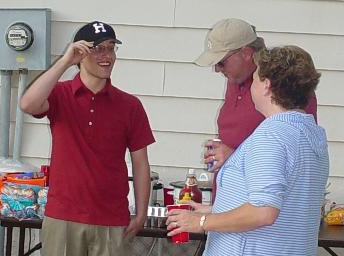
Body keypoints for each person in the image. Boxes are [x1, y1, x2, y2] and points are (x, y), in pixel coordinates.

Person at [167, 45, 329, 255]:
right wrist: (215, 209)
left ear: (266, 86)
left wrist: (203, 221)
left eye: (255, 78)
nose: (251, 84)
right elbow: (284, 204)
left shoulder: (271, 135)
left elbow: (263, 212)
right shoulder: (311, 134)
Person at [20, 21, 155, 256]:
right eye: (98, 49)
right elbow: (28, 103)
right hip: (63, 217)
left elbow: (140, 162)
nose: (107, 56)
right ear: (80, 53)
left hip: (112, 219)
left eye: (111, 48)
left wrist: (142, 212)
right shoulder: (60, 94)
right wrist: (64, 61)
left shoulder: (130, 105)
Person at [194, 19, 317, 201]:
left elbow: (300, 153)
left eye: (221, 62)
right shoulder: (234, 81)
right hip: (227, 210)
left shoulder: (284, 86)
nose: (217, 69)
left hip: (257, 212)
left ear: (246, 53)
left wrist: (234, 156)